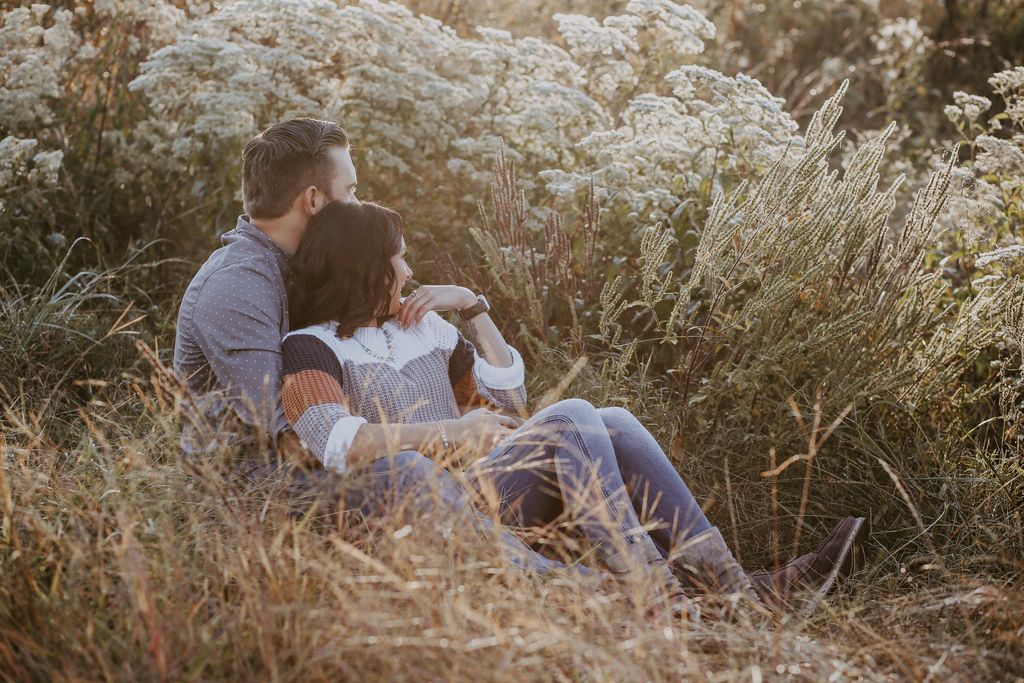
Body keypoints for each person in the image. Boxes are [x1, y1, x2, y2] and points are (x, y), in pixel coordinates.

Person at [281, 199, 865, 616]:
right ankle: (665, 599)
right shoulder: (310, 347)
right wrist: (453, 432)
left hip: (497, 493)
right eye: (399, 260)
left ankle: (730, 587)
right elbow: (336, 442)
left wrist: (474, 307)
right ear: (365, 268)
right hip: (434, 514)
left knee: (609, 421)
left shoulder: (423, 329)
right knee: (571, 417)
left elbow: (508, 408)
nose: (409, 272)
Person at [171, 118, 583, 585]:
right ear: (313, 200)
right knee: (406, 465)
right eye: (349, 191)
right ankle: (556, 585)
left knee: (572, 426)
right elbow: (294, 442)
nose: (356, 204)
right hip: (263, 489)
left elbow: (491, 397)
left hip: (349, 456)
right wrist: (447, 433)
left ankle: (614, 550)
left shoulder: (330, 271)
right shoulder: (238, 287)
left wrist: (469, 308)